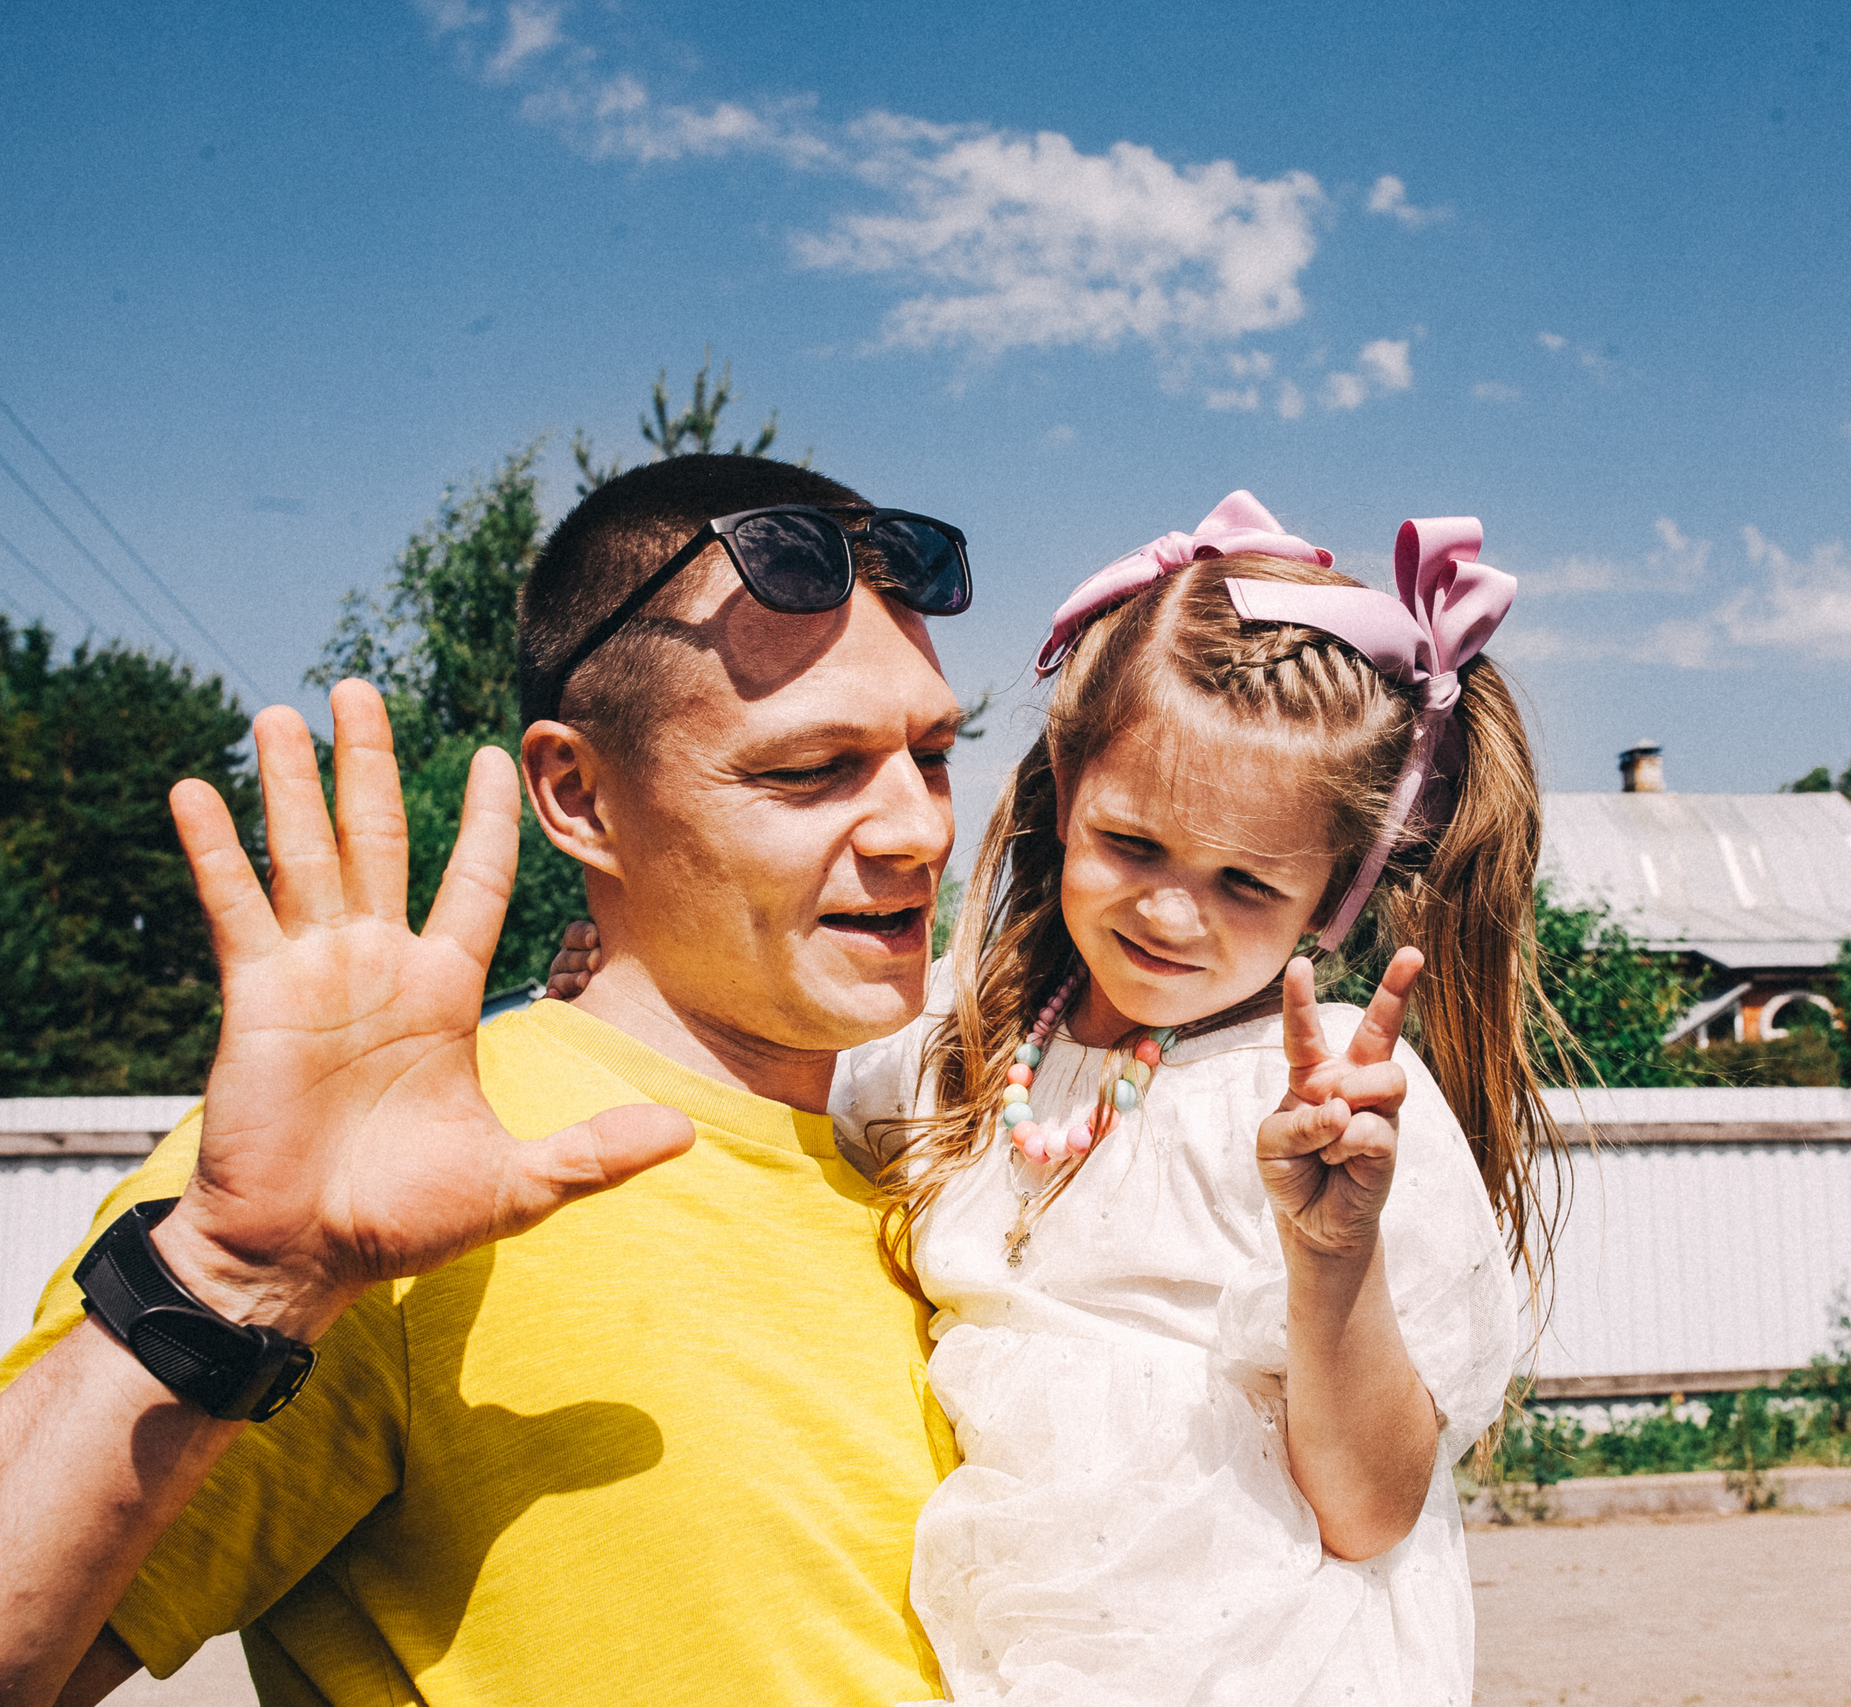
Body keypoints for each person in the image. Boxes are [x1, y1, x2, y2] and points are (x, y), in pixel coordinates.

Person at [0, 454, 982, 1706]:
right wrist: (236, 1277)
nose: (919, 829)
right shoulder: (402, 1167)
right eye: (806, 770)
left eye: (932, 754)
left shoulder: (955, 1174)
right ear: (579, 797)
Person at [558, 490, 1565, 1703]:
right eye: (1132, 845)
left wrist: (1333, 1253)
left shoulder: (1330, 1104)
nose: (1171, 912)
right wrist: (636, 971)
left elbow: (1369, 1512)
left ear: (1334, 897)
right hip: (1013, 1652)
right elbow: (765, 1111)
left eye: (1246, 883)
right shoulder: (956, 1041)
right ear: (1061, 798)